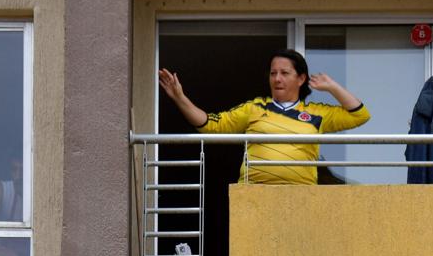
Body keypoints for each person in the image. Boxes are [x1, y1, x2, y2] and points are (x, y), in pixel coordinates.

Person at [158, 50, 370, 185]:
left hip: (301, 196)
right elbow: (210, 125)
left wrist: (332, 87)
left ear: (301, 78)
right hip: (254, 196)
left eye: (284, 73)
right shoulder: (255, 107)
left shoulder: (317, 112)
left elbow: (359, 115)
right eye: (273, 73)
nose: (277, 78)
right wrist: (179, 97)